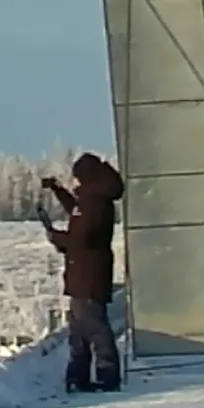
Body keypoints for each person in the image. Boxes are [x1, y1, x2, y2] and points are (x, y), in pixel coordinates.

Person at [40, 152, 125, 391]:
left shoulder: (96, 203)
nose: (75, 182)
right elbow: (76, 213)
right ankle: (78, 378)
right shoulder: (92, 199)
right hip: (84, 275)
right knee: (78, 331)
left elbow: (84, 237)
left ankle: (107, 377)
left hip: (88, 275)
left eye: (77, 178)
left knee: (95, 328)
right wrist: (58, 190)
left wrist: (58, 238)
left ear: (86, 178)